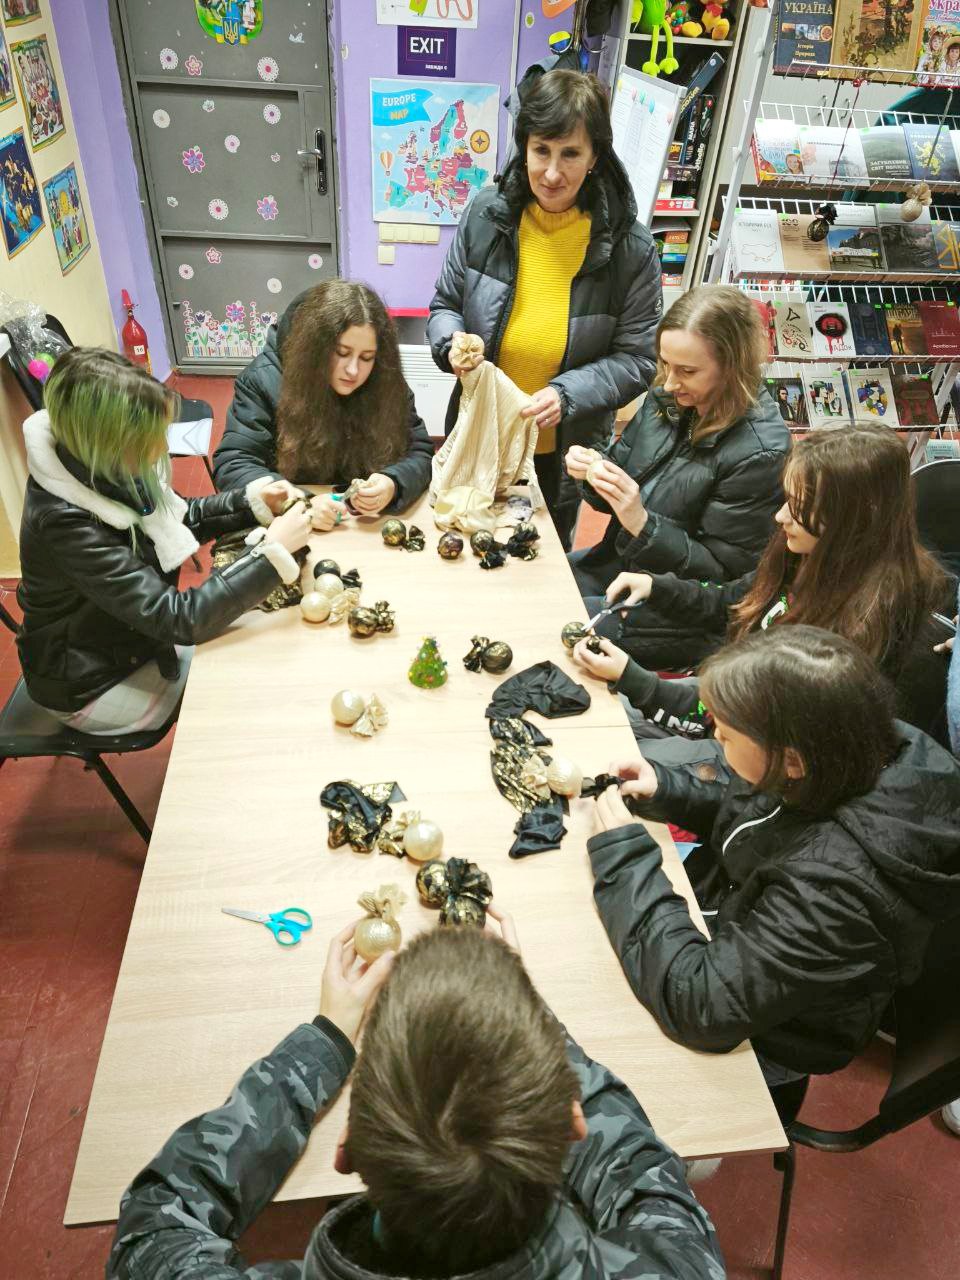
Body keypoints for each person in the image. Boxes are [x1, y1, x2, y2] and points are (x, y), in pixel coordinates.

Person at [107, 919, 726, 1279]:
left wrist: (322, 1045)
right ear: (574, 1120)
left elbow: (156, 1221)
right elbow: (643, 1176)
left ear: (346, 1149)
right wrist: (523, 1025)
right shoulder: (677, 1266)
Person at [587, 626, 960, 1122]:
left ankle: (703, 1145)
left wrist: (626, 860)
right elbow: (768, 817)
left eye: (726, 734)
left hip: (766, 1036)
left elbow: (701, 1004)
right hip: (739, 940)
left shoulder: (835, 894)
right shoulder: (849, 752)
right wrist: (670, 790)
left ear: (792, 761)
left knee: (581, 1033)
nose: (714, 737)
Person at [571, 422, 955, 746]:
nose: (780, 516)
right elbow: (738, 598)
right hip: (730, 708)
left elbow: (756, 724)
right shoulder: (802, 552)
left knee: (598, 734)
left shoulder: (859, 631)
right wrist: (658, 587)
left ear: (851, 518)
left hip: (748, 745)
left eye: (799, 507)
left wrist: (638, 682)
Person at [17, 348, 312, 734]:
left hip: (129, 641)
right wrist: (271, 554)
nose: (161, 449)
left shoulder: (98, 464)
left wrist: (251, 502)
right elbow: (179, 619)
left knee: (253, 640)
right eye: (148, 440)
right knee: (242, 678)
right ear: (105, 442)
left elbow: (177, 519)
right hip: (90, 685)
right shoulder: (65, 523)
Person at [427, 69, 662, 550]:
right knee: (460, 546)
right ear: (525, 148)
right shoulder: (485, 215)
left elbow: (638, 359)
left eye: (570, 154)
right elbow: (446, 305)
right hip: (479, 433)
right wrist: (451, 344)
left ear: (595, 156)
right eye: (541, 151)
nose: (552, 173)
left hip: (559, 452)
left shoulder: (630, 248)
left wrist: (565, 394)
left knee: (538, 558)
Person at [566, 287, 789, 669]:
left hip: (686, 612)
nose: (669, 382)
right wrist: (593, 472)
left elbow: (723, 578)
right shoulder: (666, 400)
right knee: (532, 584)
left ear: (732, 366)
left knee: (557, 622)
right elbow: (616, 488)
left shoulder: (760, 453)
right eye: (665, 364)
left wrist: (642, 523)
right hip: (621, 568)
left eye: (687, 371)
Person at [214, 280, 433, 531]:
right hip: (291, 526)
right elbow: (234, 463)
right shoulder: (264, 379)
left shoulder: (385, 379)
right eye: (341, 352)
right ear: (314, 347)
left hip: (362, 526)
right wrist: (295, 502)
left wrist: (393, 482)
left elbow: (420, 450)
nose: (353, 370)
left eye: (367, 357)